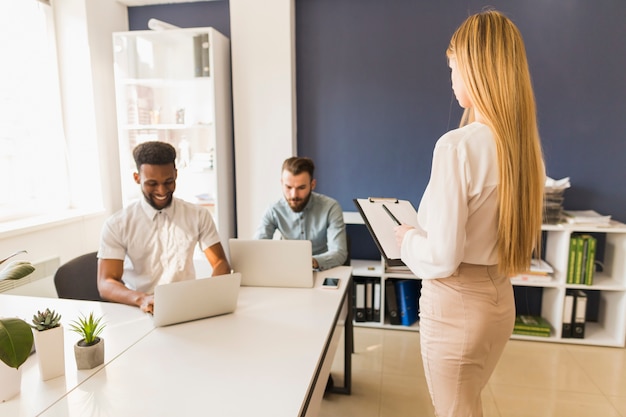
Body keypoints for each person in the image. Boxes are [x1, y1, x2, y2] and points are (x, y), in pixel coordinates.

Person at [394, 10, 545, 417]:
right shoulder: (523, 151)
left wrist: (406, 238)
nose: (452, 79)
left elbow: (442, 258)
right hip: (498, 302)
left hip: (456, 304)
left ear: (477, 69)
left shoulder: (457, 146)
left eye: (454, 67)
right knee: (468, 404)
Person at [97, 141, 231, 314]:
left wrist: (209, 294)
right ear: (137, 178)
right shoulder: (117, 224)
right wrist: (141, 299)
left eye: (168, 181)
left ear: (176, 174)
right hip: (138, 308)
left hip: (186, 306)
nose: (161, 190)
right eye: (152, 184)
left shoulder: (198, 215)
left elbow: (220, 263)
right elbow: (106, 282)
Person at [254, 156, 348, 270]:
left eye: (301, 187)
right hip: (287, 269)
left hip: (322, 270)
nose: (294, 195)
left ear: (312, 185)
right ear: (282, 183)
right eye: (288, 187)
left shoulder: (331, 207)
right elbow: (257, 248)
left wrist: (311, 262)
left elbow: (339, 253)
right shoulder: (274, 210)